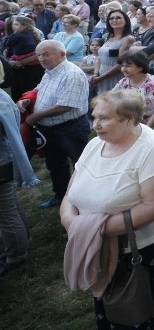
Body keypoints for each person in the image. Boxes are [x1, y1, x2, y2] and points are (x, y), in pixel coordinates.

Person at [60, 90, 154, 329]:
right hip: (103, 248)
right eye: (94, 118)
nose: (96, 125)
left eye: (104, 119)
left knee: (153, 316)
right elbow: (72, 190)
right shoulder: (94, 145)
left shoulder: (152, 149)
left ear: (130, 119)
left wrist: (93, 229)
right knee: (116, 312)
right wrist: (69, 218)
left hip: (148, 254)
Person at [19, 40, 90, 209]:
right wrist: (28, 100)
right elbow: (40, 89)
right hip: (51, 130)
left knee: (82, 165)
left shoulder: (71, 74)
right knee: (55, 165)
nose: (41, 58)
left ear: (62, 54)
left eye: (45, 54)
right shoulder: (50, 71)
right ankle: (61, 196)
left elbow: (66, 105)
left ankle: (88, 201)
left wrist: (35, 117)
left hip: (70, 129)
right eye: (39, 55)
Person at [0, 83, 39, 277]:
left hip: (1, 160)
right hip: (4, 157)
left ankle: (16, 254)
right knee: (10, 205)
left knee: (5, 211)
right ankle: (22, 242)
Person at [114, 50, 154, 135]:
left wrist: (145, 131)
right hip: (134, 124)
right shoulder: (123, 82)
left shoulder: (152, 84)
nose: (124, 69)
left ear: (140, 67)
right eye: (122, 66)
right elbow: (111, 99)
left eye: (128, 66)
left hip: (152, 127)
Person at [5, 16, 44, 101]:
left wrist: (20, 62)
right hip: (27, 68)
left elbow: (7, 44)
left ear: (25, 26)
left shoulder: (18, 36)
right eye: (13, 24)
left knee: (25, 93)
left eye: (16, 24)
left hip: (28, 69)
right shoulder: (32, 34)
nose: (13, 26)